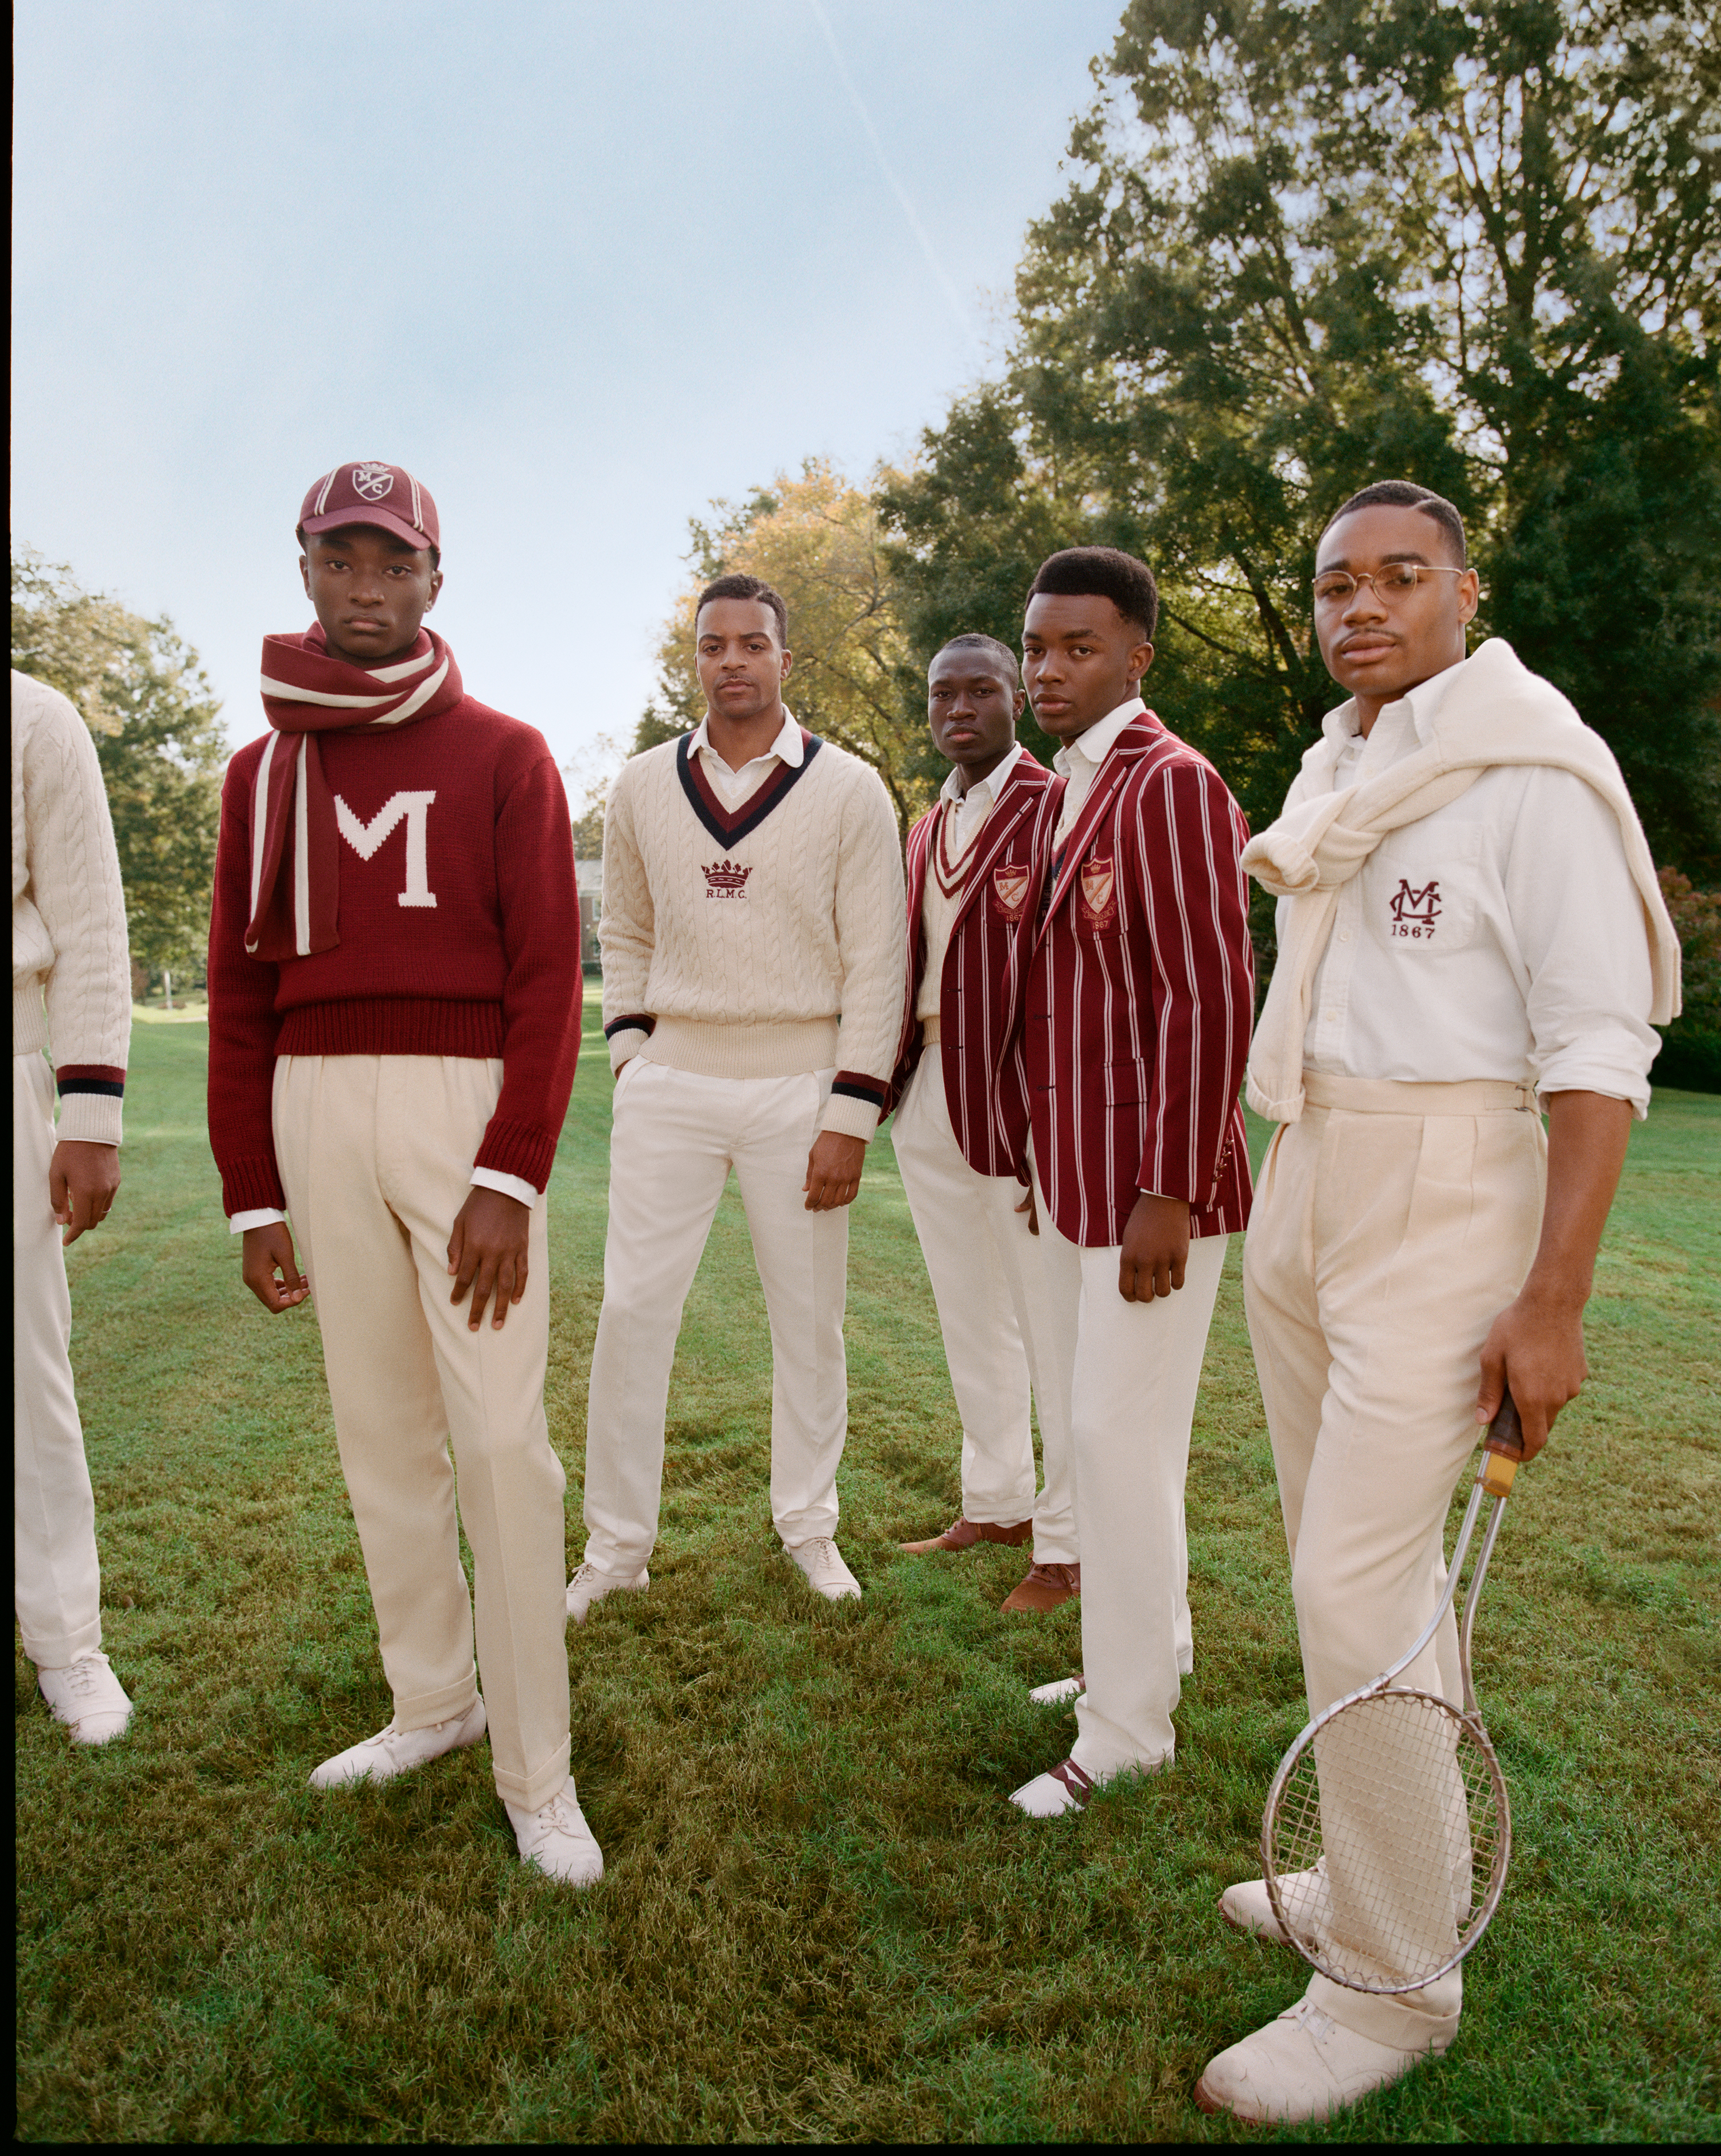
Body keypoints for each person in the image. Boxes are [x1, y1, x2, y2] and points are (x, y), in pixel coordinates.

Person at [1195, 480, 1681, 2124]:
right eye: (1338, 582)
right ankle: (1367, 1867)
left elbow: (1599, 1053)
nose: (1364, 605)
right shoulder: (1341, 762)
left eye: (1403, 576)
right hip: (1316, 1164)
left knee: (1355, 1583)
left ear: (1467, 589)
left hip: (1455, 1186)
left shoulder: (1535, 772)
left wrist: (1555, 1300)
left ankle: (1394, 1987)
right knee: (1352, 1569)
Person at [206, 461, 598, 1885]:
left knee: (501, 1444)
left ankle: (536, 1769)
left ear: (438, 580)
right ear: (305, 569)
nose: (367, 591)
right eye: (341, 562)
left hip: (464, 1110)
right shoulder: (264, 768)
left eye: (395, 565)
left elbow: (552, 979)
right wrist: (255, 1189)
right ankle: (433, 1701)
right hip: (317, 1102)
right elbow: (239, 993)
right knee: (380, 1437)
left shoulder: (505, 751)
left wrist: (512, 1172)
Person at [573, 573, 905, 1618]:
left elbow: (879, 965)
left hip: (800, 1089)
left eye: (752, 643)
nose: (732, 661)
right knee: (632, 1313)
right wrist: (632, 1054)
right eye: (713, 644)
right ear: (696, 659)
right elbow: (622, 933)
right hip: (672, 1083)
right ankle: (616, 1547)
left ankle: (808, 1525)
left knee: (807, 1324)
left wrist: (849, 1114)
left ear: (784, 659)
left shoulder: (851, 788)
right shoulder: (638, 785)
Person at [1008, 547, 1255, 1818]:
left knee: (1117, 1436)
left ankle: (1129, 1733)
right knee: (1110, 1442)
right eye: (1038, 648)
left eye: (1080, 648)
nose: (1050, 670)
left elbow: (1207, 997)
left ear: (1139, 654)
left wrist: (1173, 1185)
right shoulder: (1062, 790)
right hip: (1078, 1175)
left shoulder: (1168, 784)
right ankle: (1141, 1653)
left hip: (1154, 1192)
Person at [889, 635, 1077, 1612]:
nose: (958, 708)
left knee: (1053, 1329)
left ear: (1015, 698)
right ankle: (997, 1500)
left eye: (980, 690)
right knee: (971, 1319)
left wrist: (1058, 1119)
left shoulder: (1058, 807)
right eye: (941, 694)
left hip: (1019, 1107)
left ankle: (1070, 1540)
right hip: (928, 1094)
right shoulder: (928, 825)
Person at [13, 668, 135, 1746]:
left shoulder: (34, 717)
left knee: (23, 1370)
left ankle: (68, 1645)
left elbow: (90, 922)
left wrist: (90, 1114)